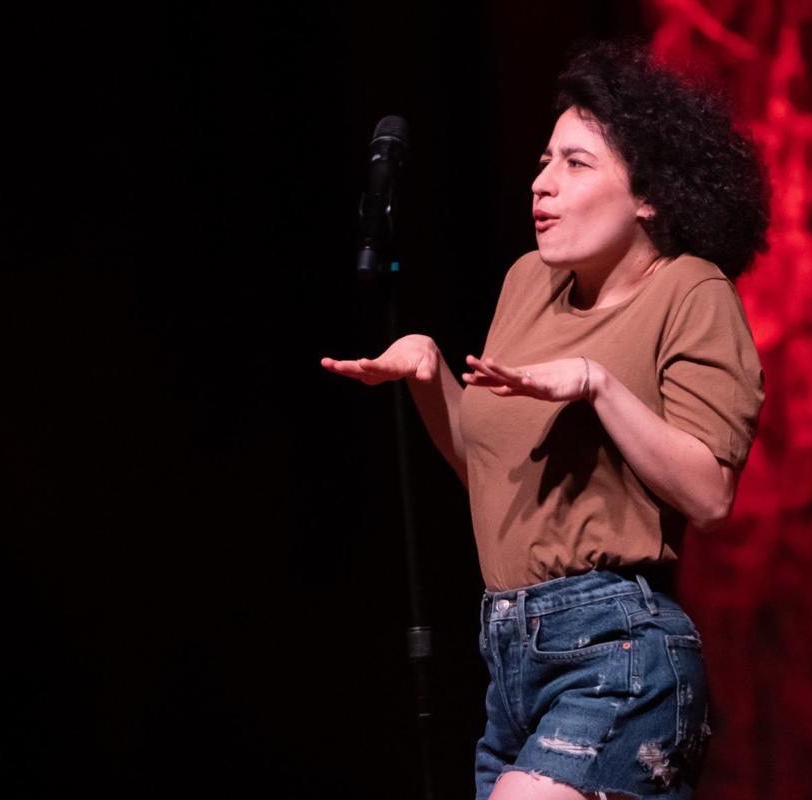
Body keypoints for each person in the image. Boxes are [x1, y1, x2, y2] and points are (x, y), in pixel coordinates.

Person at [322, 37, 770, 800]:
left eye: (575, 164)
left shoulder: (691, 292)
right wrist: (432, 376)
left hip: (618, 645)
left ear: (649, 196)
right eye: (542, 161)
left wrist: (599, 385)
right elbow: (496, 476)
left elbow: (710, 494)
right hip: (509, 654)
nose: (542, 184)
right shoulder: (527, 283)